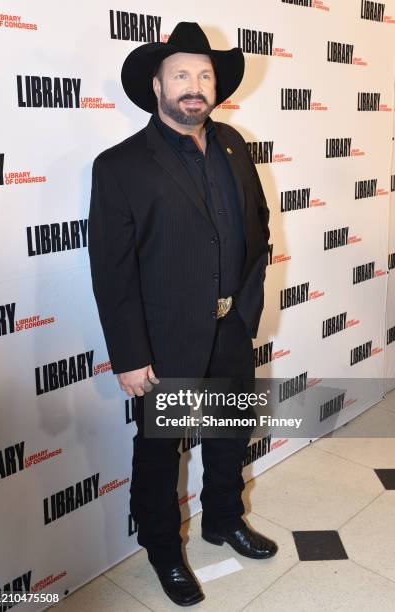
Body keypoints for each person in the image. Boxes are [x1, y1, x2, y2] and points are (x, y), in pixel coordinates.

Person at [88, 21, 277, 607]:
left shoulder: (234, 145)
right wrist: (131, 354)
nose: (193, 86)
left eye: (204, 75)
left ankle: (223, 520)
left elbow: (257, 231)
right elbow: (112, 269)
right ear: (157, 84)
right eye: (180, 75)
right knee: (159, 454)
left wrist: (245, 311)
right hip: (164, 340)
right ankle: (165, 554)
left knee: (228, 437)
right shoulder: (119, 164)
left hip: (230, 329)